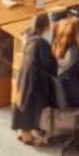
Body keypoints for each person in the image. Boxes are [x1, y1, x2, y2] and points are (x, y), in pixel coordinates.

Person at [12, 12, 56, 144]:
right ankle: (27, 135)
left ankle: (21, 130)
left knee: (22, 102)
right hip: (34, 80)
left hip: (24, 75)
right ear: (46, 27)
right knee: (30, 105)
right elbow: (49, 65)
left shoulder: (28, 35)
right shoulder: (41, 44)